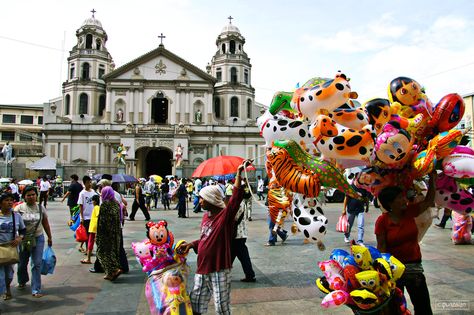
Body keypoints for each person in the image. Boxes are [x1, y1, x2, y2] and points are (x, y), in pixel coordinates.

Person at [177, 160, 249, 315]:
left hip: (219, 268)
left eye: (202, 198)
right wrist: (191, 244)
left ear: (210, 199)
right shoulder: (206, 217)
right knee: (195, 302)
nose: (199, 201)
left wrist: (238, 174)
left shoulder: (224, 217)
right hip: (202, 268)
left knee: (221, 306)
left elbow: (235, 200)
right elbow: (206, 238)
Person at [375, 171, 436, 315]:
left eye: (403, 197)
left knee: (423, 307)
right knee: (395, 308)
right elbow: (381, 247)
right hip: (394, 270)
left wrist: (433, 181)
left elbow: (428, 202)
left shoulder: (410, 212)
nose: (404, 200)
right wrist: (382, 273)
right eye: (400, 198)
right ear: (390, 203)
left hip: (414, 268)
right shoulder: (382, 221)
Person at [15, 186, 53, 298]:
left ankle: (36, 288)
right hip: (23, 239)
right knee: (22, 262)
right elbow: (14, 224)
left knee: (36, 264)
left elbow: (46, 223)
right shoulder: (19, 209)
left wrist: (49, 237)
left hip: (38, 238)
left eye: (33, 194)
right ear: (24, 197)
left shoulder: (41, 208)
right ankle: (22, 280)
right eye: (28, 195)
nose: (31, 197)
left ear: (36, 195)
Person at [0, 192, 26, 301]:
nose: (9, 202)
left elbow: (23, 230)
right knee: (0, 277)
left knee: (9, 275)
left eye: (11, 200)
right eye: (6, 200)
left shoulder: (16, 216)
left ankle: (7, 287)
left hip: (11, 248)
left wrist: (19, 238)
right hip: (0, 248)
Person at [95, 186, 123, 281]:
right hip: (116, 233)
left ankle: (112, 271)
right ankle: (113, 270)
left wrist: (98, 235)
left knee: (101, 252)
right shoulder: (116, 203)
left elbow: (101, 222)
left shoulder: (104, 205)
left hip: (105, 233)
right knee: (112, 252)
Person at [231, 188, 256, 283]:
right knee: (236, 254)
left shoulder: (238, 203)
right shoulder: (241, 202)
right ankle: (249, 274)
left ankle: (250, 275)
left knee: (241, 255)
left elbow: (234, 217)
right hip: (241, 233)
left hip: (237, 234)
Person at [77, 176, 98, 253]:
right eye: (88, 182)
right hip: (86, 217)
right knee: (87, 235)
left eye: (90, 182)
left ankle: (89, 249)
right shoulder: (82, 193)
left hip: (93, 216)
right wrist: (81, 217)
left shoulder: (93, 192)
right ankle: (88, 250)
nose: (90, 184)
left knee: (92, 234)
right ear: (84, 183)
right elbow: (80, 206)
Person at [81, 194, 100, 264]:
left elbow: (98, 217)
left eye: (92, 200)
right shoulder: (96, 207)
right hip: (93, 228)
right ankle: (88, 258)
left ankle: (89, 259)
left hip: (94, 229)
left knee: (91, 243)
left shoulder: (96, 207)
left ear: (94, 201)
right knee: (90, 243)